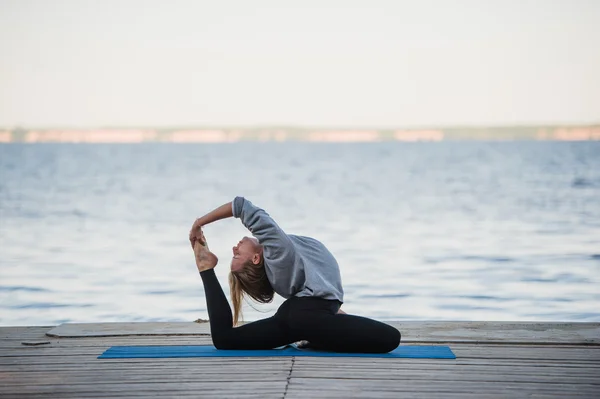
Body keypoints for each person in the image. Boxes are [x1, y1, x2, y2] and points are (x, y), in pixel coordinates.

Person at [189, 196, 401, 353]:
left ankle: (206, 268)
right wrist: (200, 222)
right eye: (237, 256)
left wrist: (335, 314)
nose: (234, 250)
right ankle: (206, 266)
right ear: (255, 258)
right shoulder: (277, 249)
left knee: (226, 339)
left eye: (234, 255)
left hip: (302, 315)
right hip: (303, 316)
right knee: (391, 338)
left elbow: (317, 289)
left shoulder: (280, 255)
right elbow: (242, 206)